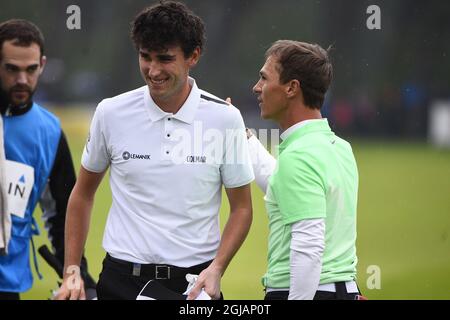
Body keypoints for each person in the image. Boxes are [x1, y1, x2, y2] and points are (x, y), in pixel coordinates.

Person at [56, 1, 254, 300]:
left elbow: (242, 208)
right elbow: (82, 194)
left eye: (165, 58)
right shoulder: (111, 112)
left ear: (193, 56)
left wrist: (217, 268)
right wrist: (72, 270)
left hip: (192, 285)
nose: (153, 70)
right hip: (121, 281)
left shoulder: (224, 119)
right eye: (145, 57)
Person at [249, 40, 361, 300]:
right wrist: (243, 138)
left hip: (304, 292)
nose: (257, 88)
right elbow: (283, 186)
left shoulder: (298, 157)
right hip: (341, 290)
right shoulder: (338, 147)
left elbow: (308, 247)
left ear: (291, 88)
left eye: (264, 78)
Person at [0, 19, 94, 300]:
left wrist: (79, 276)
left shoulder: (49, 131)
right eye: (11, 69)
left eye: (31, 70)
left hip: (8, 283)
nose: (22, 80)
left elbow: (62, 212)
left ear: (42, 64)